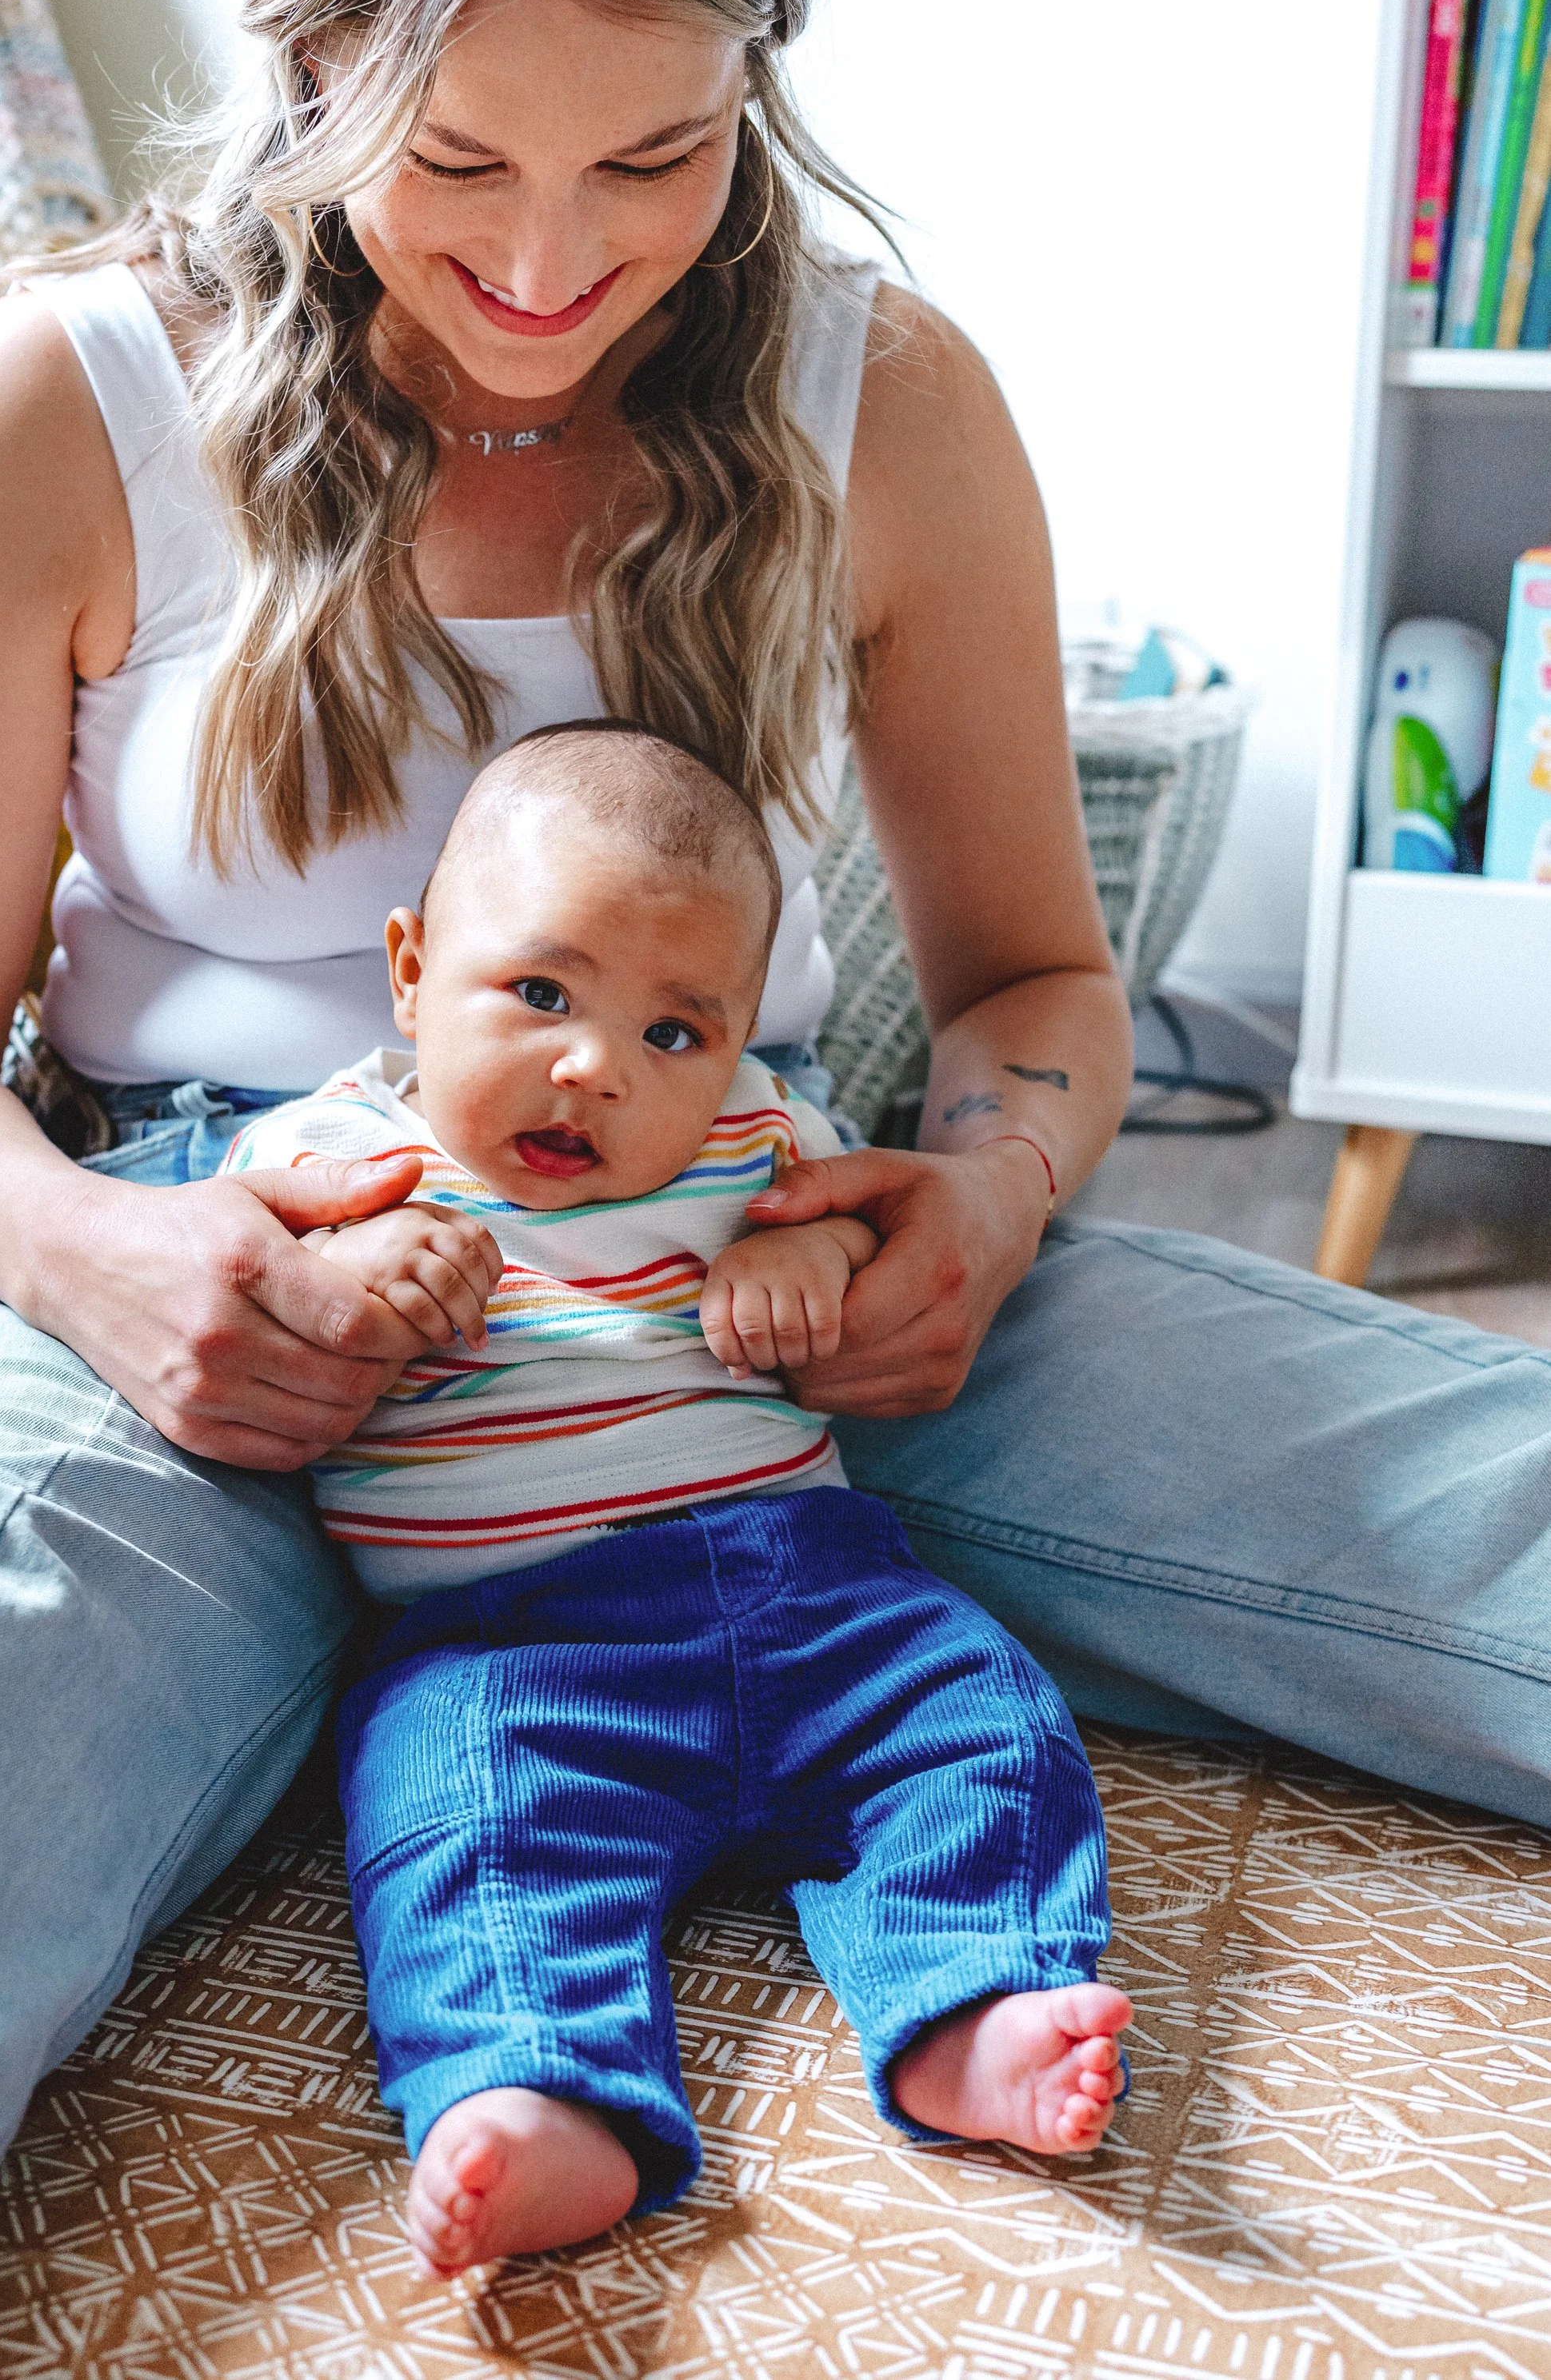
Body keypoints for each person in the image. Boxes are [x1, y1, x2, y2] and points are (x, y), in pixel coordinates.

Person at [0, 0, 1543, 2374]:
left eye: (657, 156)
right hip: (203, 1272)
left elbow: (1035, 983)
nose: (548, 260)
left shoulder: (891, 408)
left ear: (762, 72)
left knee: (1461, 1490)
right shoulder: (49, 414)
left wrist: (988, 1187)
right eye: (456, 155)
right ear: (310, 51)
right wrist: (105, 1272)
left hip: (769, 1287)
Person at [226, 721, 1131, 2277]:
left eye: (672, 1033)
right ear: (409, 968)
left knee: (986, 1719)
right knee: (462, 1824)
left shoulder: (755, 1137)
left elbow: (853, 1227)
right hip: (507, 1648)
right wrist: (350, 1285)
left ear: (729, 1048)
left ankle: (969, 2003)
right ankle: (540, 2094)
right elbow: (249, 1277)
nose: (595, 1065)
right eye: (538, 993)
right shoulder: (340, 1156)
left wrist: (806, 1257)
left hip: (819, 1593)